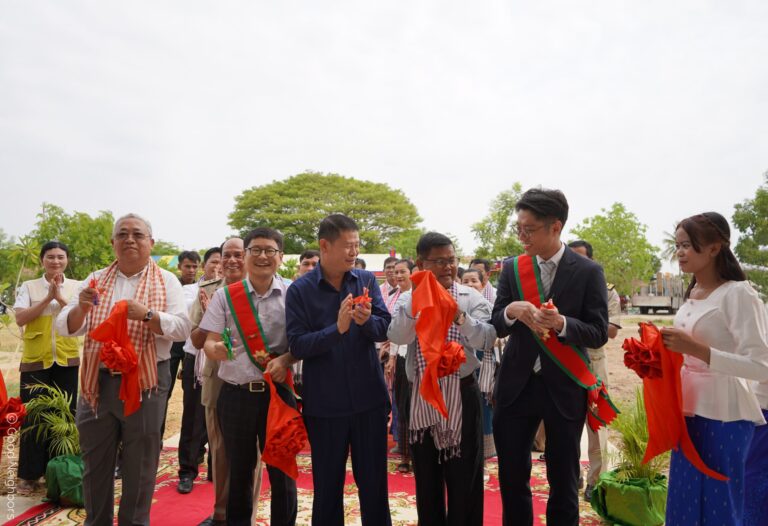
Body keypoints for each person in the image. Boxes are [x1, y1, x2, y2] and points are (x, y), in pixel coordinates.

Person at [56, 213, 192, 526]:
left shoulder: (167, 280)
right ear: (113, 242)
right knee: (95, 462)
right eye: (123, 234)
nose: (130, 239)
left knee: (140, 463)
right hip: (97, 383)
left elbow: (182, 328)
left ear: (151, 243)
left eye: (138, 234)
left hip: (146, 383)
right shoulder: (95, 279)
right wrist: (81, 307)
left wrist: (147, 316)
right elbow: (66, 327)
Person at [491, 188, 608, 526]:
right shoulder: (513, 268)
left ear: (555, 227)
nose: (522, 236)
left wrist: (562, 324)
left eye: (529, 229)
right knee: (512, 476)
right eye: (519, 228)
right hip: (516, 385)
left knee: (564, 478)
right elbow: (497, 323)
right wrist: (512, 311)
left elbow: (598, 331)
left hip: (564, 386)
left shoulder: (587, 271)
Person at [660, 212, 768, 526]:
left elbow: (762, 366)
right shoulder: (692, 292)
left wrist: (697, 350)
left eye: (688, 246)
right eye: (678, 246)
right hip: (686, 409)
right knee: (683, 498)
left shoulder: (738, 293)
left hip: (725, 414)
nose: (680, 253)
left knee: (720, 503)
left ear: (714, 248)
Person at [285, 214, 392, 526]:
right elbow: (297, 345)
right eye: (347, 246)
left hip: (368, 401)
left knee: (374, 485)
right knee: (328, 487)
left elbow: (385, 327)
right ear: (324, 246)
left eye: (356, 246)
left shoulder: (366, 280)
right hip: (325, 405)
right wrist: (338, 328)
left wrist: (366, 321)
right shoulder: (300, 290)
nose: (353, 252)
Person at [388, 233, 496, 526]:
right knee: (426, 476)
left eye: (452, 260)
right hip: (422, 396)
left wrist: (461, 318)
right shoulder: (409, 298)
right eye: (439, 262)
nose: (448, 267)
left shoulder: (470, 297)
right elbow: (397, 336)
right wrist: (417, 305)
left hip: (462, 393)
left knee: (466, 477)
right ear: (422, 264)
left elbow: (488, 339)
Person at [200, 228, 297, 526]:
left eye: (270, 250)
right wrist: (214, 348)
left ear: (280, 256)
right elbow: (208, 341)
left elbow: (304, 341)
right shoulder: (225, 297)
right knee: (239, 472)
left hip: (278, 395)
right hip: (236, 395)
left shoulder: (294, 294)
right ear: (245, 256)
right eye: (255, 250)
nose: (262, 256)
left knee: (282, 473)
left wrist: (287, 358)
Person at [192, 238, 264, 526]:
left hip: (253, 381)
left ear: (246, 257)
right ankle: (220, 514)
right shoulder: (208, 292)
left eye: (238, 254)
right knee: (220, 450)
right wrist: (210, 323)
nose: (232, 260)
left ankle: (248, 514)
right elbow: (195, 339)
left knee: (252, 457)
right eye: (226, 255)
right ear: (219, 260)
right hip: (217, 378)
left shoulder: (260, 289)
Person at [13, 241, 81, 494]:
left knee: (64, 417)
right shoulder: (29, 286)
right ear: (42, 260)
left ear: (67, 260)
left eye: (60, 257)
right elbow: (20, 317)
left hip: (67, 359)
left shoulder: (76, 286)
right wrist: (47, 299)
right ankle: (29, 476)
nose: (55, 261)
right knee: (33, 417)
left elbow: (82, 316)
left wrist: (60, 298)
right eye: (50, 257)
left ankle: (58, 472)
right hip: (35, 361)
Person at [567, 239, 622, 501]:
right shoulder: (561, 287)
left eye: (581, 258)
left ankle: (595, 480)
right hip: (565, 361)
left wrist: (573, 324)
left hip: (594, 363)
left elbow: (609, 331)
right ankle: (571, 473)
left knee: (597, 425)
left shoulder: (606, 290)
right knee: (565, 423)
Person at [176, 247, 221, 494]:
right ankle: (187, 470)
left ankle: (216, 467)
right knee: (193, 416)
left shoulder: (231, 289)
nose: (219, 266)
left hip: (223, 357)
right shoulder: (191, 291)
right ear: (205, 266)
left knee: (221, 417)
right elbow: (186, 327)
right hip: (197, 358)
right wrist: (207, 307)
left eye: (222, 262)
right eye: (214, 262)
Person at [161, 249, 203, 444]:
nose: (191, 270)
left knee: (192, 396)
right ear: (179, 267)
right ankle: (157, 439)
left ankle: (196, 447)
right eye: (187, 266)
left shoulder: (202, 288)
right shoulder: (169, 285)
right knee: (163, 392)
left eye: (195, 266)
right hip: (170, 343)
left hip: (191, 344)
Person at [462, 268, 498, 461]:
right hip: (464, 362)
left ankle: (483, 456)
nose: (469, 285)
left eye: (474, 280)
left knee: (485, 407)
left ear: (483, 284)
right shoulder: (459, 303)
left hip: (486, 362)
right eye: (465, 281)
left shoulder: (490, 306)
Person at [385, 259, 415, 473]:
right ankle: (406, 456)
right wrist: (393, 357)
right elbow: (395, 331)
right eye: (396, 272)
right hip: (403, 357)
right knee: (403, 408)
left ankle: (421, 456)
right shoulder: (398, 296)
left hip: (425, 358)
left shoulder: (422, 293)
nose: (399, 275)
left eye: (403, 271)